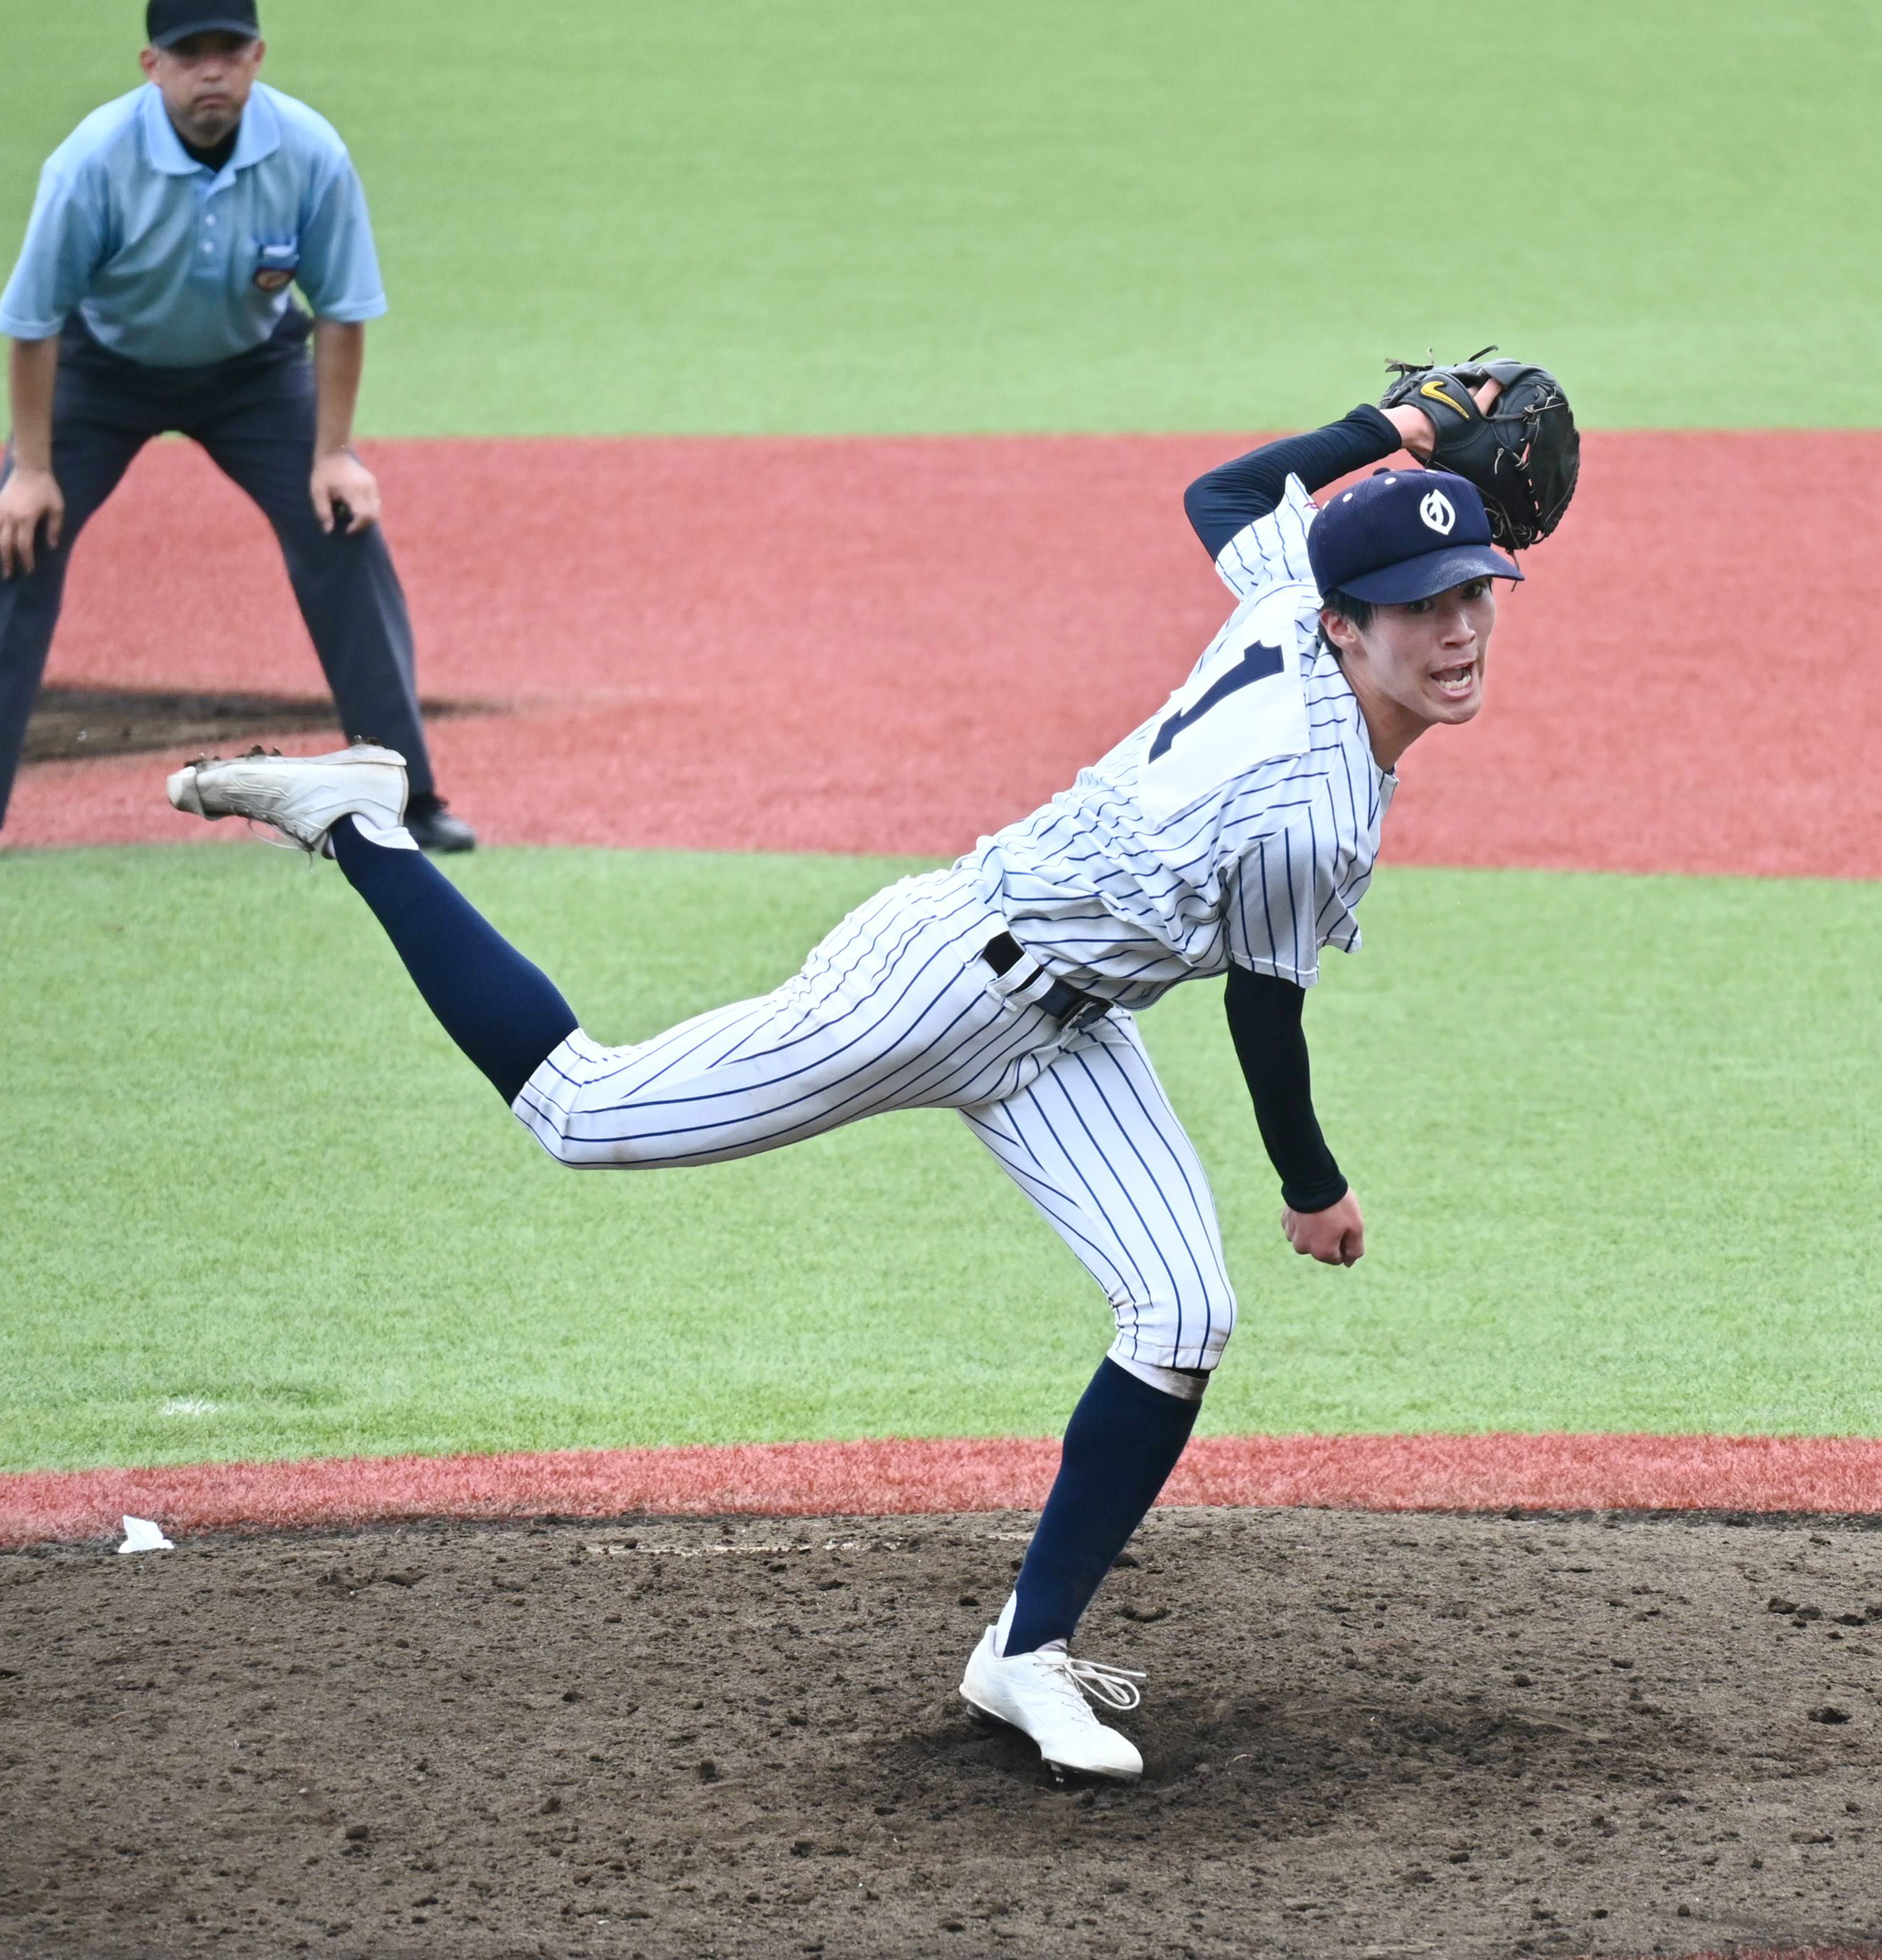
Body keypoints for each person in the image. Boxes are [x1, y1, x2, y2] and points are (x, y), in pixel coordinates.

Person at [163, 376, 1527, 1781]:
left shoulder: (1282, 600)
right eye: (1423, 607)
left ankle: (1022, 1654)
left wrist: (1393, 426)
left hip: (1067, 1023)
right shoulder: (1312, 803)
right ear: (1343, 623)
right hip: (938, 980)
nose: (1459, 631)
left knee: (1180, 1311)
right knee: (582, 1110)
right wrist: (1310, 1188)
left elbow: (1225, 498)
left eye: (1472, 594)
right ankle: (366, 827)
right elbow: (1262, 1013)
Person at [0, 0, 473, 851]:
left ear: (257, 57)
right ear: (153, 66)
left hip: (254, 376)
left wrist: (334, 454)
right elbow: (33, 322)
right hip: (101, 372)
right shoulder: (94, 162)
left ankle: (412, 803)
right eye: (190, 55)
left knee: (344, 527)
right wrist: (30, 469)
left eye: (227, 51)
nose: (209, 70)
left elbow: (342, 309)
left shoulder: (309, 152)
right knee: (15, 541)